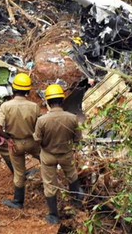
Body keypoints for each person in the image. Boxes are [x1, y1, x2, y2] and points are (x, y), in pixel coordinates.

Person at [34, 84, 83, 224]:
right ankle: (76, 204)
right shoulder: (72, 118)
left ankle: (53, 215)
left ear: (48, 102)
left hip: (48, 155)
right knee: (72, 176)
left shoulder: (42, 120)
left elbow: (37, 140)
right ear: (62, 101)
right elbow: (78, 139)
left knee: (49, 184)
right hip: (66, 154)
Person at [0, 73, 41, 210]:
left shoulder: (6, 106)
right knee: (46, 160)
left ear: (13, 89)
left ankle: (18, 201)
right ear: (27, 90)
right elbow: (40, 127)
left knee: (19, 172)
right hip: (32, 141)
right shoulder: (34, 106)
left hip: (14, 143)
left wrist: (8, 139)